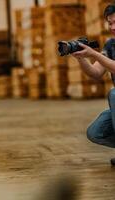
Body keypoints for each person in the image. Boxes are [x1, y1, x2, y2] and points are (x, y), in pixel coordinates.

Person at [72, 5, 115, 165]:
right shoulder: (111, 45)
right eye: (109, 23)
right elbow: (95, 73)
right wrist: (81, 58)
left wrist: (94, 53)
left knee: (114, 94)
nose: (112, 27)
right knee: (95, 132)